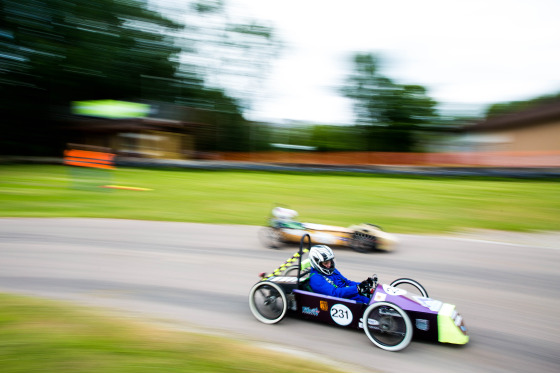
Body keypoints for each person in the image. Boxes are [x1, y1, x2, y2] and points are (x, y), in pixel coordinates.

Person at [307, 245, 373, 304]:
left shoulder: (331, 270)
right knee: (372, 304)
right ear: (317, 263)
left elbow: (347, 282)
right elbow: (335, 293)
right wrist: (357, 289)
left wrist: (364, 285)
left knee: (375, 295)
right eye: (326, 263)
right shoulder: (316, 279)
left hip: (348, 295)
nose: (329, 265)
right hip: (340, 301)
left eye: (330, 261)